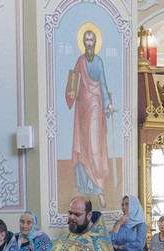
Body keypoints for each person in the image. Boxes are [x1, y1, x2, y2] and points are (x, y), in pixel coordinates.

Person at [65, 29, 114, 206]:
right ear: (83, 42)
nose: (89, 43)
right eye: (86, 40)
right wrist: (71, 93)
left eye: (91, 40)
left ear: (95, 42)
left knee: (94, 146)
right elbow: (73, 84)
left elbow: (103, 84)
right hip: (81, 108)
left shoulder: (99, 62)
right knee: (82, 146)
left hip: (95, 106)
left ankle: (98, 188)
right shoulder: (80, 61)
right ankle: (85, 188)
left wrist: (108, 103)